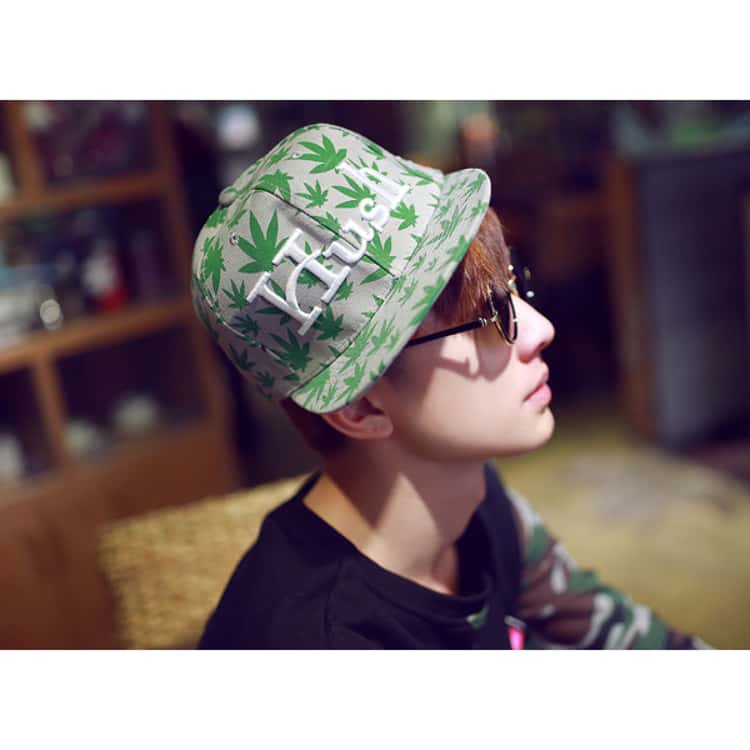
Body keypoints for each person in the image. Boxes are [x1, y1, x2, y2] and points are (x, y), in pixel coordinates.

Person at [191, 122, 709, 649]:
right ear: (361, 407)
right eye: (486, 317)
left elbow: (616, 635)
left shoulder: (473, 498)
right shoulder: (317, 642)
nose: (540, 330)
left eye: (511, 287)